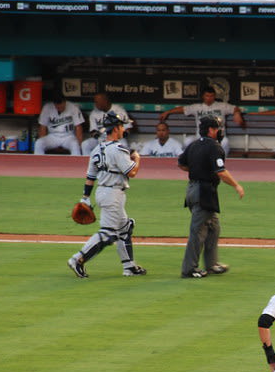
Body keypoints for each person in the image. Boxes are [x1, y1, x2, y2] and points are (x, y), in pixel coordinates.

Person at [67, 112, 147, 278]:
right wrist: (137, 158)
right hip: (113, 194)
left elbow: (90, 177)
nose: (124, 128)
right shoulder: (118, 149)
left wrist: (85, 198)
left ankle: (129, 266)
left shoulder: (97, 149)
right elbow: (132, 172)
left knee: (125, 228)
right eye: (122, 126)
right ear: (116, 128)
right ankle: (78, 259)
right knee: (108, 233)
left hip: (102, 192)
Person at [177, 115, 244, 278]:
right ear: (211, 130)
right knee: (198, 231)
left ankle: (212, 264)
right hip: (204, 191)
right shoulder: (214, 147)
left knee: (213, 228)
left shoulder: (193, 145)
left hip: (193, 190)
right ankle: (189, 269)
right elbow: (220, 172)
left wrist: (198, 169)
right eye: (217, 128)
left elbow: (181, 163)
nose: (220, 131)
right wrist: (236, 185)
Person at [160, 85, 243, 156]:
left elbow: (236, 108)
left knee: (225, 142)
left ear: (214, 96)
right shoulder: (197, 107)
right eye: (207, 96)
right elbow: (183, 109)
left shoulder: (222, 106)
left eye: (212, 96)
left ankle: (221, 162)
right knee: (188, 141)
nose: (209, 98)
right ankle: (190, 162)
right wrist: (168, 112)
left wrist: (237, 114)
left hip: (217, 137)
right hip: (200, 137)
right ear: (203, 96)